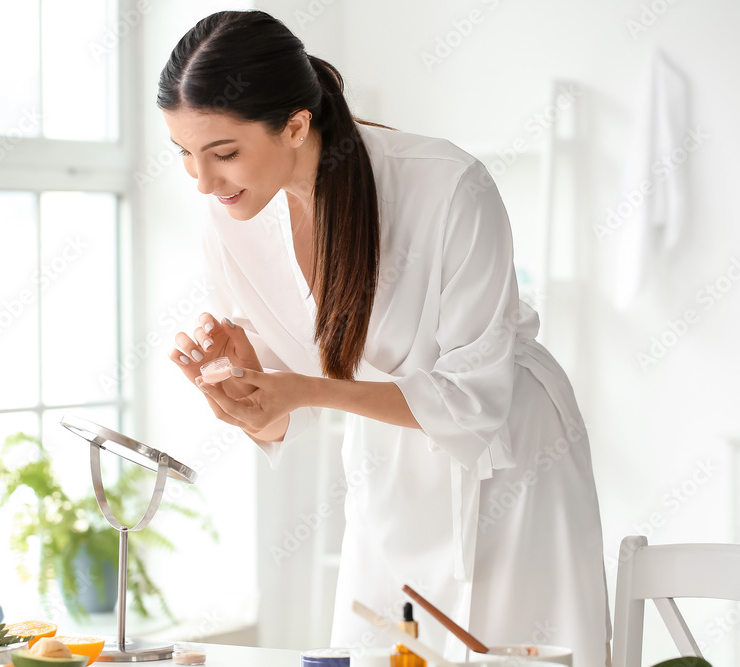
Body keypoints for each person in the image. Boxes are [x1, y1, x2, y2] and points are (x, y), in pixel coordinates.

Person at [158, 9, 611, 666]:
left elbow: (474, 399)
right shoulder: (230, 216)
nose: (202, 180)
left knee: (517, 649)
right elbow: (289, 400)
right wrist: (243, 379)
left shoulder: (447, 185)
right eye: (184, 154)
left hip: (514, 462)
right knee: (377, 648)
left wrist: (304, 388)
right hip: (387, 468)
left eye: (223, 152)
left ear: (295, 124)